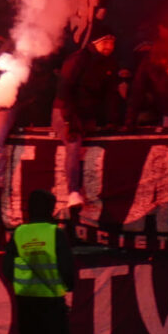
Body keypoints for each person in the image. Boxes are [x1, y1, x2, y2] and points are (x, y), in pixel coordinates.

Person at [8, 188, 89, 334]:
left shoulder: (20, 233)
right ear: (49, 208)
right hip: (52, 300)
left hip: (26, 300)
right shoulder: (55, 233)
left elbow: (8, 267)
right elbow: (66, 265)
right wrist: (68, 286)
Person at [51, 33, 119, 207]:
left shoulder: (108, 63)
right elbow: (64, 90)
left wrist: (113, 120)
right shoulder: (78, 60)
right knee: (74, 144)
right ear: (95, 42)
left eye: (112, 42)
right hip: (65, 111)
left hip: (87, 115)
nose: (108, 46)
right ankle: (73, 192)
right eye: (105, 41)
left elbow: (111, 94)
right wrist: (69, 120)